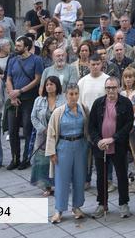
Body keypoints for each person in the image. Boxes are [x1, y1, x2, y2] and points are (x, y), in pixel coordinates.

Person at [88, 75, 135, 219]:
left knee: (121, 176)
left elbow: (129, 125)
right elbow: (91, 126)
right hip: (101, 147)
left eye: (113, 87)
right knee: (101, 177)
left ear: (119, 88)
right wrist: (98, 141)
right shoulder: (98, 103)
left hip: (118, 146)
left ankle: (123, 204)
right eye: (108, 88)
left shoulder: (126, 103)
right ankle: (102, 204)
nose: (111, 90)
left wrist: (113, 138)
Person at [47, 83, 88, 224]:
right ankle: (58, 210)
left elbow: (87, 128)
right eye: (71, 94)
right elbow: (51, 133)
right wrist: (52, 152)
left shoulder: (83, 110)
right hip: (63, 147)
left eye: (76, 93)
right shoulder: (59, 112)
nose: (74, 97)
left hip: (80, 146)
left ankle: (77, 207)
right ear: (66, 95)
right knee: (61, 179)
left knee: (79, 178)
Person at [5, 36, 43, 170]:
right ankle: (15, 158)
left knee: (27, 130)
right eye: (16, 45)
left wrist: (20, 91)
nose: (16, 48)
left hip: (28, 99)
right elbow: (8, 79)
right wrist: (12, 95)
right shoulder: (12, 60)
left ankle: (26, 159)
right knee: (12, 130)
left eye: (19, 46)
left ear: (26, 47)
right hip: (14, 100)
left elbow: (37, 80)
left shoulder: (36, 60)